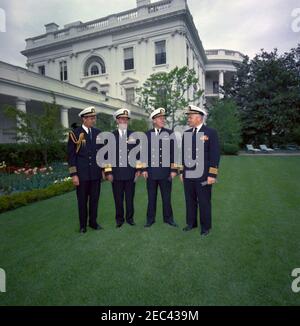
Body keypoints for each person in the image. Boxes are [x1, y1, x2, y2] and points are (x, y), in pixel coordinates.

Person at [180, 105, 220, 237]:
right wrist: (182, 172)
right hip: (189, 174)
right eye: (188, 117)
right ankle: (191, 223)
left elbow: (215, 155)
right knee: (189, 200)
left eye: (190, 117)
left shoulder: (211, 132)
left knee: (204, 201)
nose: (188, 119)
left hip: (204, 175)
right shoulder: (186, 134)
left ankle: (205, 227)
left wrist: (212, 174)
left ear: (199, 118)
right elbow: (184, 155)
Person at [67, 106, 104, 233]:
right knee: (82, 201)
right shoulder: (75, 134)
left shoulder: (98, 132)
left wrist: (104, 170)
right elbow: (71, 156)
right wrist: (74, 174)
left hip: (95, 173)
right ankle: (83, 225)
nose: (93, 120)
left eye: (94, 118)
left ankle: (93, 222)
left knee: (94, 200)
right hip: (81, 175)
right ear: (84, 119)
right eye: (91, 118)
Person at [105, 109, 142, 228]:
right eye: (121, 119)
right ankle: (119, 219)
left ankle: (130, 218)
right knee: (118, 198)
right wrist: (108, 172)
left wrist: (138, 170)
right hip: (116, 174)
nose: (124, 121)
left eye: (126, 119)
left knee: (130, 198)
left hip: (131, 173)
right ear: (117, 120)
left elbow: (138, 155)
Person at [142, 108, 178, 228]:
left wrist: (173, 170)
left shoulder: (169, 133)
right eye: (160, 118)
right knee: (151, 198)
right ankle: (150, 219)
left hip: (166, 172)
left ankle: (169, 219)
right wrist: (144, 169)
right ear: (154, 120)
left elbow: (174, 153)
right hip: (151, 173)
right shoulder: (146, 135)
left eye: (163, 118)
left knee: (166, 198)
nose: (163, 120)